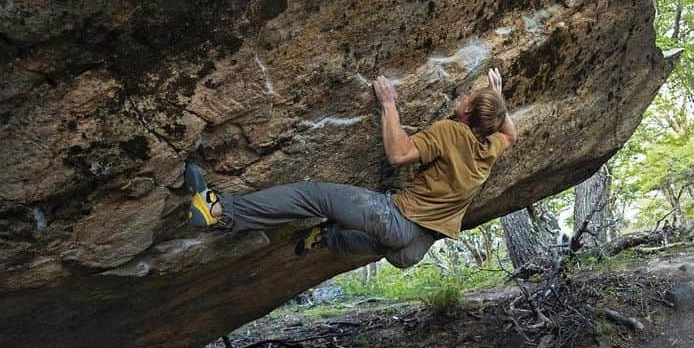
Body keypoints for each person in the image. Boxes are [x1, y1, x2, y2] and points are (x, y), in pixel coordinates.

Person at [184, 67, 517, 268]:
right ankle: (322, 237)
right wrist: (496, 99)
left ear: (467, 112)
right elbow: (510, 133)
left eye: (469, 99)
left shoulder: (451, 131)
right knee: (343, 231)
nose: (464, 98)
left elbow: (399, 154)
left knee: (310, 196)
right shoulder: (490, 148)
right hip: (413, 250)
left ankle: (218, 210)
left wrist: (389, 105)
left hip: (396, 222)